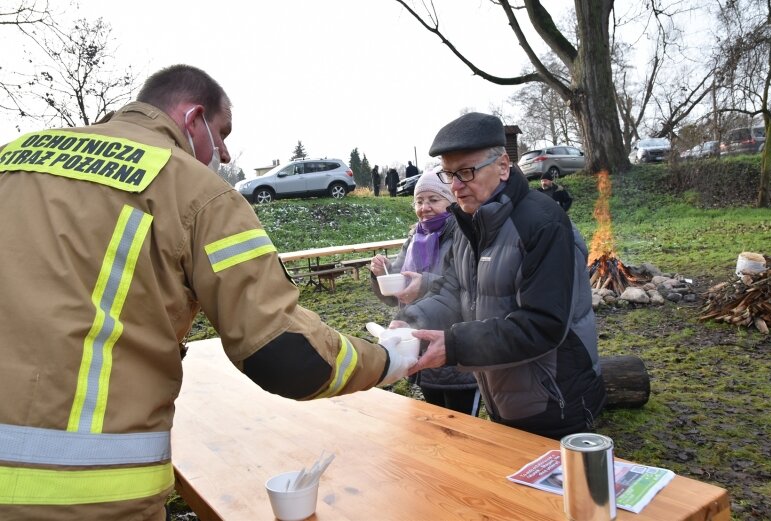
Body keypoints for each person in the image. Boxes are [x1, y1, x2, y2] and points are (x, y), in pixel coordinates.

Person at [0, 64, 415, 521]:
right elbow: (285, 354)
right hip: (90, 494)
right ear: (193, 118)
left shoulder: (13, 158)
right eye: (221, 134)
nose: (223, 152)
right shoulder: (194, 190)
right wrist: (389, 360)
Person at [397, 112, 606, 440]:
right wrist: (412, 322)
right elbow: (455, 290)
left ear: (504, 166)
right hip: (504, 394)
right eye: (449, 174)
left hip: (556, 399)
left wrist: (454, 346)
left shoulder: (543, 224)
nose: (455, 186)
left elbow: (542, 324)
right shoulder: (470, 223)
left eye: (466, 172)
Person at [369, 171, 480, 416]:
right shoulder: (414, 237)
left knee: (462, 427)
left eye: (433, 200)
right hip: (418, 343)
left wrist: (424, 284)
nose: (425, 207)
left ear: (450, 201)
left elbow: (463, 285)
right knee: (434, 419)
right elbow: (396, 287)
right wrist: (381, 275)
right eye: (419, 201)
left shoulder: (463, 235)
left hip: (453, 346)